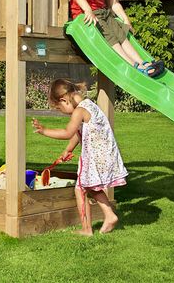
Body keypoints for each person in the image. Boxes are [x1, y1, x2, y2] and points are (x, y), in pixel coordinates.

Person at [32, 79, 127, 235]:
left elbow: (68, 132)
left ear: (63, 99)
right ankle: (109, 216)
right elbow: (78, 133)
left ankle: (87, 229)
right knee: (90, 187)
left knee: (80, 189)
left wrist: (45, 131)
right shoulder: (90, 105)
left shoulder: (79, 111)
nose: (61, 111)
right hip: (106, 155)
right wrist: (68, 150)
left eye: (59, 108)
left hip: (94, 157)